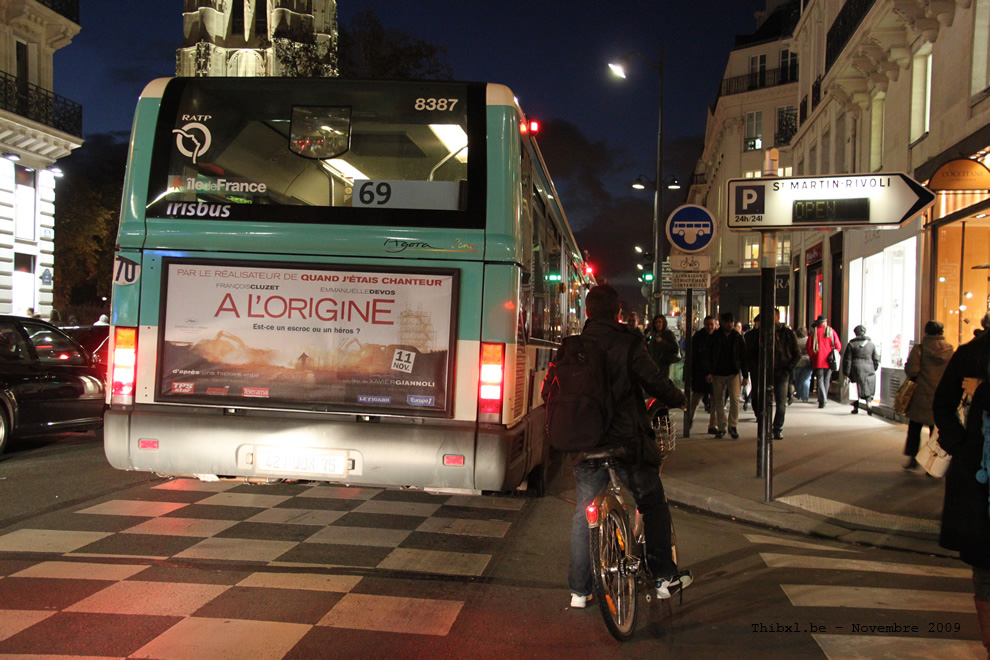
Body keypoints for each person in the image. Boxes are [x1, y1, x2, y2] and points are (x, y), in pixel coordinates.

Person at [561, 284, 691, 608]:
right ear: (618, 312)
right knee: (651, 500)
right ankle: (664, 578)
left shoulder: (571, 347)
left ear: (587, 312)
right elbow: (654, 380)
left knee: (583, 512)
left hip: (584, 442)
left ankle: (579, 591)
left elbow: (552, 391)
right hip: (624, 443)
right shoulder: (629, 342)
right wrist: (678, 399)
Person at [932, 317, 990, 655]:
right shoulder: (973, 354)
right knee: (985, 567)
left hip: (977, 471)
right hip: (980, 474)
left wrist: (982, 390)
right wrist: (962, 447)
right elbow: (943, 404)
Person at [902, 321, 954, 470]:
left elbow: (912, 370)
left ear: (926, 332)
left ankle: (912, 458)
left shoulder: (920, 349)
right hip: (940, 396)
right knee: (936, 431)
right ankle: (933, 464)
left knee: (914, 428)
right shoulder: (949, 349)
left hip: (921, 395)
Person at [745, 309, 800, 440]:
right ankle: (764, 423)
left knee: (781, 402)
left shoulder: (787, 333)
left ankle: (777, 428)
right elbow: (750, 353)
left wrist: (789, 368)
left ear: (777, 317)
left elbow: (796, 353)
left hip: (781, 371)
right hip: (762, 371)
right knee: (758, 398)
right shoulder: (758, 334)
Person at [707, 312, 748, 439]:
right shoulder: (715, 337)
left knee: (734, 400)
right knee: (719, 400)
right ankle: (721, 426)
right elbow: (709, 356)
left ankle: (733, 425)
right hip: (718, 373)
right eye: (727, 322)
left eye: (732, 322)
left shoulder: (738, 337)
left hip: (733, 373)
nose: (730, 324)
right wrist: (709, 372)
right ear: (722, 323)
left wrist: (745, 375)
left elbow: (743, 357)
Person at [688, 315, 717, 434]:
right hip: (700, 373)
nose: (710, 327)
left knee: (715, 400)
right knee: (695, 399)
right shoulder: (699, 337)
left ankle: (713, 425)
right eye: (708, 324)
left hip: (711, 373)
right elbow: (695, 356)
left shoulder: (716, 337)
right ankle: (689, 418)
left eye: (711, 324)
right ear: (704, 324)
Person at [842, 325, 880, 415]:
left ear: (855, 333)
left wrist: (846, 373)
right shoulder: (871, 344)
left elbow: (847, 360)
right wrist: (873, 368)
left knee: (855, 388)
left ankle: (855, 408)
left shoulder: (851, 344)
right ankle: (869, 403)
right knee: (868, 386)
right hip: (869, 368)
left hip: (855, 368)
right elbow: (876, 359)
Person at [806, 314, 841, 408]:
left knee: (820, 380)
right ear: (825, 322)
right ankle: (823, 398)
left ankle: (822, 399)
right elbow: (838, 346)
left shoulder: (814, 332)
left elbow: (808, 347)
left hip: (818, 360)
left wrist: (813, 356)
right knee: (826, 380)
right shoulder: (831, 331)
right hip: (829, 361)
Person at [646, 314, 680, 379]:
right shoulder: (654, 334)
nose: (657, 324)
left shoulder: (668, 334)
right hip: (654, 364)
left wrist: (662, 342)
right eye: (656, 323)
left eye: (659, 322)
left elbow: (675, 348)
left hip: (664, 365)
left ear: (663, 322)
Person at [792, 326, 813, 402]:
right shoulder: (808, 340)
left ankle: (799, 394)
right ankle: (805, 396)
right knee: (806, 380)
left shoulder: (795, 341)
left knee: (797, 379)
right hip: (807, 362)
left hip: (797, 363)